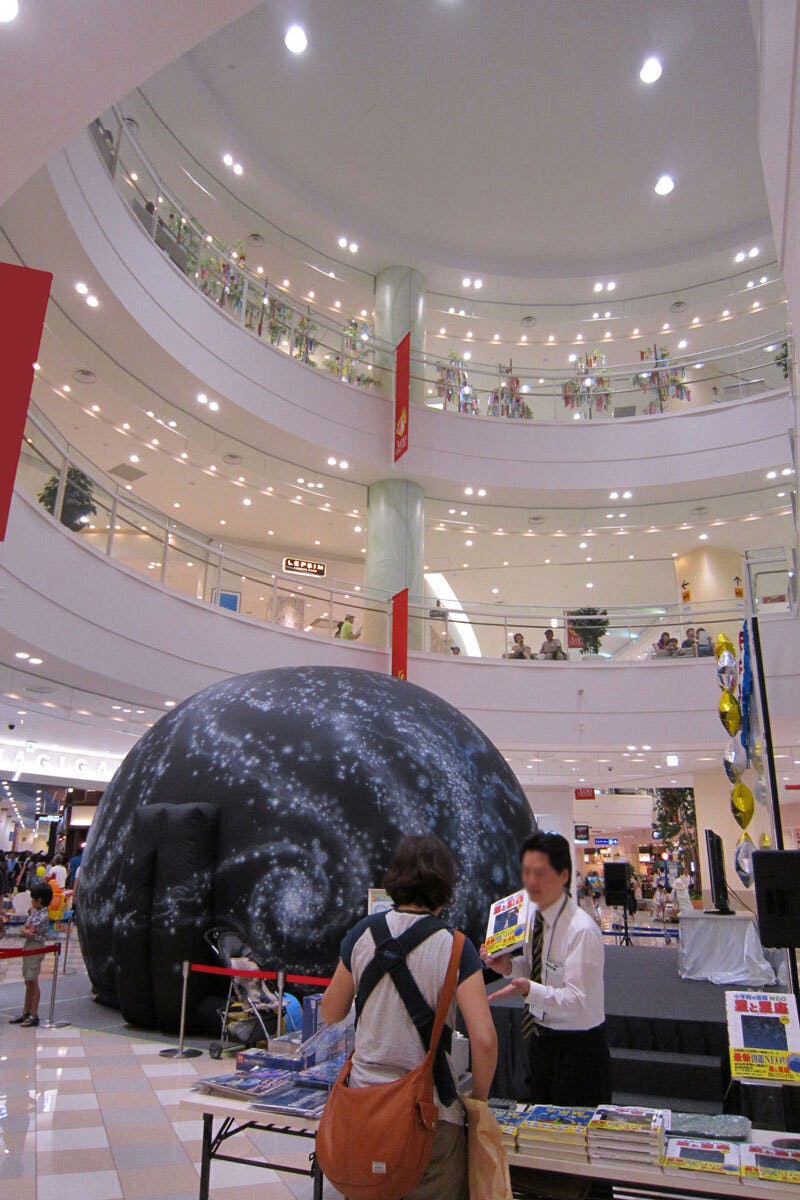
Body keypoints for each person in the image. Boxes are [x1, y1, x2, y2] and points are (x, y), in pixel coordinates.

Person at [321, 835, 497, 1200]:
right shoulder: (456, 947)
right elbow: (484, 1040)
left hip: (364, 1105)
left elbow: (331, 1011)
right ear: (446, 886)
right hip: (429, 1113)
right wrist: (478, 1100)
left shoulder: (362, 934)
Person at [483, 831, 611, 1107]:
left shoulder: (581, 930)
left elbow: (577, 1000)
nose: (531, 882)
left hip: (577, 1050)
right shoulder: (534, 921)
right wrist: (507, 966)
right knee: (540, 1122)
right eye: (527, 872)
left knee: (575, 1128)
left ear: (563, 876)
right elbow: (534, 968)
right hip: (541, 1039)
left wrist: (530, 990)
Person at [9, 882, 53, 1027]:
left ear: (39, 900)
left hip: (36, 947)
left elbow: (30, 931)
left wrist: (26, 930)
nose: (31, 901)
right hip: (29, 946)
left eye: (33, 898)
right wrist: (25, 930)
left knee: (33, 981)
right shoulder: (35, 912)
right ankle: (25, 1012)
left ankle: (34, 1015)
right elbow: (26, 928)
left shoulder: (43, 915)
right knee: (28, 980)